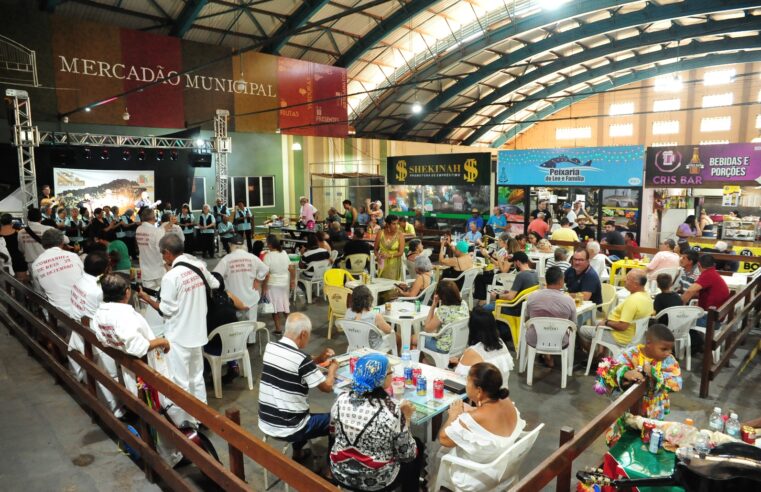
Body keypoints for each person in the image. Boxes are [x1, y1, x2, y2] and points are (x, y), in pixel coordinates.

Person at [92, 273, 184, 467]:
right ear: (127, 292)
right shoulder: (124, 315)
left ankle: (168, 451)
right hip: (144, 372)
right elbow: (137, 347)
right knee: (159, 411)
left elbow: (103, 338)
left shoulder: (100, 313)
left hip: (129, 368)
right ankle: (170, 457)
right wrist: (162, 341)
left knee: (151, 411)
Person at [138, 233, 219, 404]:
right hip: (198, 333)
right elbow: (216, 284)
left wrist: (147, 299)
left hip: (178, 337)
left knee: (180, 381)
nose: (162, 258)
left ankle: (187, 422)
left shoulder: (171, 277)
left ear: (167, 252)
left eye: (162, 254)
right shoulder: (199, 267)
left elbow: (166, 310)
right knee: (197, 378)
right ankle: (201, 416)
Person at [329, 353, 421, 492]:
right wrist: (406, 418)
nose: (392, 374)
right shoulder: (391, 410)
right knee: (417, 448)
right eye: (390, 372)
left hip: (340, 473)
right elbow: (408, 454)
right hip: (376, 480)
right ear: (382, 380)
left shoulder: (340, 400)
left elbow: (333, 433)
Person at [258, 313, 337, 462]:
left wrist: (319, 359)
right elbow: (327, 387)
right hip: (291, 427)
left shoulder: (270, 347)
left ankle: (298, 453)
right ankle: (330, 470)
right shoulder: (301, 360)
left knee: (296, 410)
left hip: (266, 421)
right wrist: (332, 368)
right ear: (303, 334)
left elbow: (295, 362)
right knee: (336, 420)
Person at [438, 363, 525, 491]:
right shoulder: (506, 401)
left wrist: (453, 415)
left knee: (439, 451)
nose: (466, 384)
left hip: (477, 475)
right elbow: (491, 417)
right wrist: (473, 410)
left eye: (467, 381)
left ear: (479, 391)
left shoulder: (473, 419)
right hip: (503, 465)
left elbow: (443, 439)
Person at [594, 324, 682, 420]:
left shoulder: (668, 360)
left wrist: (653, 373)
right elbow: (612, 370)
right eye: (664, 349)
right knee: (628, 431)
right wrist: (625, 373)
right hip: (629, 407)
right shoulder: (632, 354)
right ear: (648, 343)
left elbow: (677, 383)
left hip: (654, 410)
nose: (668, 353)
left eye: (670, 349)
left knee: (650, 432)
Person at [579, 270, 652, 349]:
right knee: (597, 322)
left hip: (619, 337)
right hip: (634, 336)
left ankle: (593, 355)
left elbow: (622, 326)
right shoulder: (647, 297)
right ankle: (601, 351)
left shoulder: (632, 301)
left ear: (636, 284)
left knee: (582, 329)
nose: (624, 280)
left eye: (627, 279)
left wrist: (607, 322)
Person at [68, 251, 110, 389]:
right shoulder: (97, 290)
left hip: (78, 328)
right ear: (105, 269)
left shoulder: (79, 280)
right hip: (92, 336)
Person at [526, 266, 577, 367]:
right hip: (559, 340)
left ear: (546, 280)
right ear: (561, 281)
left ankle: (546, 355)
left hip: (535, 339)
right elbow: (573, 325)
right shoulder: (569, 300)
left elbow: (527, 318)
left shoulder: (532, 296)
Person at [214, 235, 269, 326]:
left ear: (230, 245)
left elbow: (215, 276)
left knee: (236, 326)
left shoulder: (226, 259)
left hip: (234, 300)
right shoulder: (252, 257)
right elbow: (265, 269)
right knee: (252, 325)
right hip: (251, 296)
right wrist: (258, 280)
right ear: (244, 245)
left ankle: (239, 340)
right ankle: (252, 340)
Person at [30, 229, 84, 315]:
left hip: (57, 314)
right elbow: (84, 279)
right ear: (62, 242)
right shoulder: (73, 256)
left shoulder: (36, 264)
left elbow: (39, 292)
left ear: (43, 244)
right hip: (81, 308)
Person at [455, 308, 514, 382]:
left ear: (472, 327)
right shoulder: (501, 343)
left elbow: (459, 377)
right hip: (501, 391)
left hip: (480, 392)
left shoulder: (472, 351)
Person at [415, 280, 469, 354]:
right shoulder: (464, 304)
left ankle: (425, 362)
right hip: (460, 344)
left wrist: (433, 306)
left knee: (414, 339)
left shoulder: (444, 310)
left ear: (441, 296)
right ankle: (428, 361)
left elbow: (427, 329)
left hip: (443, 348)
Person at [681, 254, 730, 328]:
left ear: (699, 265)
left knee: (679, 319)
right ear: (713, 264)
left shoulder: (708, 274)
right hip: (716, 315)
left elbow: (689, 291)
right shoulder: (712, 273)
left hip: (711, 319)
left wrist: (679, 305)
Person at [345, 285, 399, 349]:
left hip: (354, 345)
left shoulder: (348, 312)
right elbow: (389, 331)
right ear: (369, 298)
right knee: (397, 337)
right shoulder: (374, 315)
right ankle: (397, 357)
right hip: (373, 348)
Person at [262, 235, 295, 335]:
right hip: (284, 283)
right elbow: (291, 268)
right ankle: (293, 327)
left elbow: (266, 274)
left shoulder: (267, 256)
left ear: (270, 244)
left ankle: (278, 328)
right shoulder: (284, 253)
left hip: (273, 284)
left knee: (275, 308)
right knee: (285, 305)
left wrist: (263, 288)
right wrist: (292, 281)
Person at [135, 208, 166, 293]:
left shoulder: (138, 229)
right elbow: (161, 251)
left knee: (149, 297)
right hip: (158, 270)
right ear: (153, 218)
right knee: (164, 295)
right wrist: (167, 266)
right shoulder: (156, 231)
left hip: (145, 271)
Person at [375, 215, 405, 281]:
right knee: (381, 283)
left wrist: (390, 255)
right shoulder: (380, 233)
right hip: (382, 262)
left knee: (392, 285)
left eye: (397, 223)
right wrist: (378, 256)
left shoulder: (400, 235)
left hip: (394, 264)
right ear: (388, 224)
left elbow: (401, 252)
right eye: (394, 224)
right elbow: (375, 249)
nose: (396, 226)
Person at [0, 213, 27, 281]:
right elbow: (23, 248)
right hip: (18, 260)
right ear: (11, 221)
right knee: (22, 285)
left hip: (3, 261)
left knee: (6, 287)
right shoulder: (18, 233)